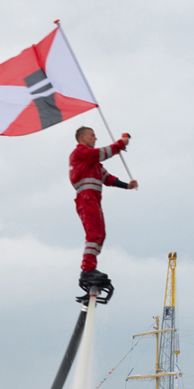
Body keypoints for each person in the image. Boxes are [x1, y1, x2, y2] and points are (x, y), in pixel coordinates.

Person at [71, 126, 137, 300]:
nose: (95, 138)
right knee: (94, 234)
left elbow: (106, 177)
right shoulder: (81, 153)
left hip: (92, 200)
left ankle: (90, 268)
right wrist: (120, 144)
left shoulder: (92, 163)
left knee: (99, 234)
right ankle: (87, 270)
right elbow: (102, 153)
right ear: (82, 137)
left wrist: (126, 185)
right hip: (86, 199)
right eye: (92, 136)